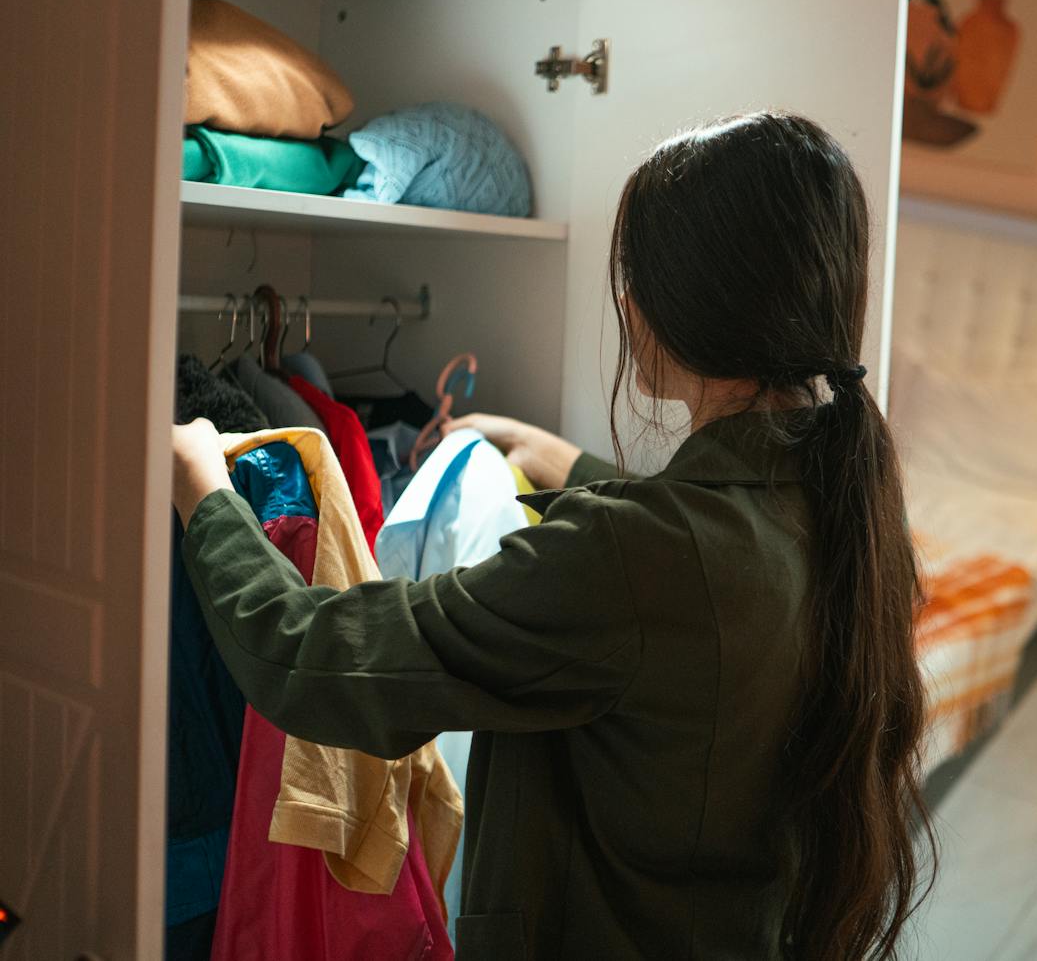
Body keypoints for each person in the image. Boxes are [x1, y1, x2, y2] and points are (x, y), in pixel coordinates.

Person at [172, 112, 934, 960]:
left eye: (635, 274)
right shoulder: (843, 512)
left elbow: (305, 656)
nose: (624, 299)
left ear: (692, 305)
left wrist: (203, 489)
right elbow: (698, 559)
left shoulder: (635, 559)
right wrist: (569, 464)